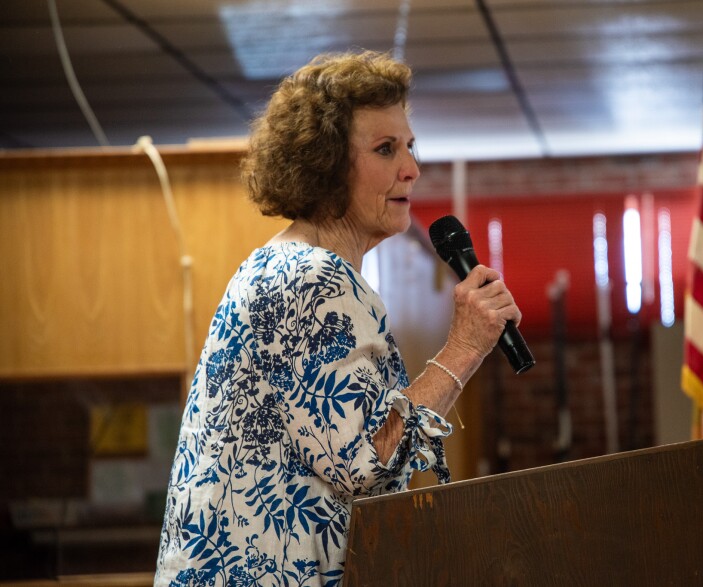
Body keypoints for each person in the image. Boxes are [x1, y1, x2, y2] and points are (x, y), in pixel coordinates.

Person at [154, 50, 522, 586]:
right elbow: (366, 464)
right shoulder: (311, 278)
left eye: (410, 146)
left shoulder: (288, 264)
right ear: (324, 164)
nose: (411, 168)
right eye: (385, 148)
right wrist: (464, 349)